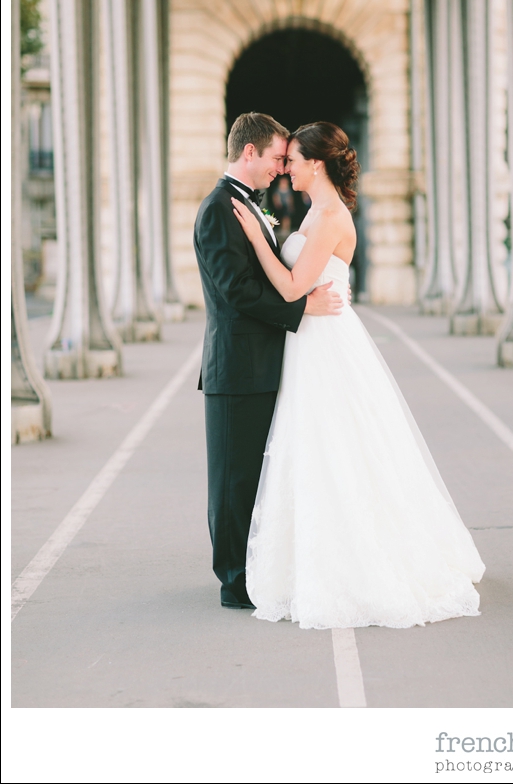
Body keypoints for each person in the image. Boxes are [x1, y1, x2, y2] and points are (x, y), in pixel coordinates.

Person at [231, 121, 485, 629]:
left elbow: (291, 288)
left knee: (338, 448)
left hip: (327, 345)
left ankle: (354, 564)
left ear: (316, 164)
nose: (287, 168)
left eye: (295, 160)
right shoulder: (315, 212)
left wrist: (257, 240)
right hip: (313, 339)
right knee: (321, 449)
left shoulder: (328, 216)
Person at [193, 113, 344, 610]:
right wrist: (300, 307)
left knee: (257, 477)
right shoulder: (219, 208)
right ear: (250, 153)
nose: (282, 168)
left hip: (262, 363)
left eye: (290, 160)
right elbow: (235, 290)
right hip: (236, 366)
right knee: (234, 479)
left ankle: (254, 572)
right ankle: (234, 583)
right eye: (278, 157)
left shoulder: (248, 207)